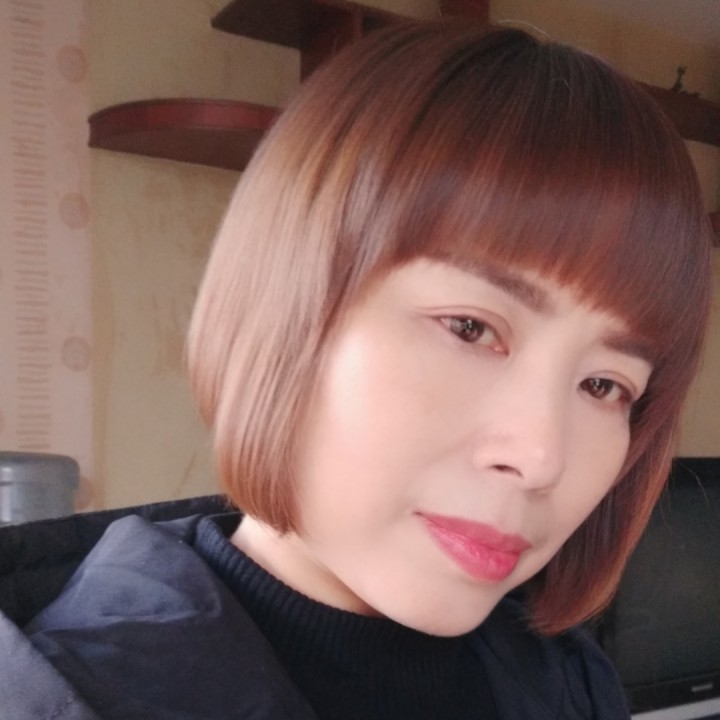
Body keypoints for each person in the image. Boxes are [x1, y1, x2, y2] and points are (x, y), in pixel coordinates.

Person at [0, 19, 712, 720]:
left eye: (603, 385)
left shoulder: (569, 679)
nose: (540, 459)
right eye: (470, 328)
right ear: (282, 302)